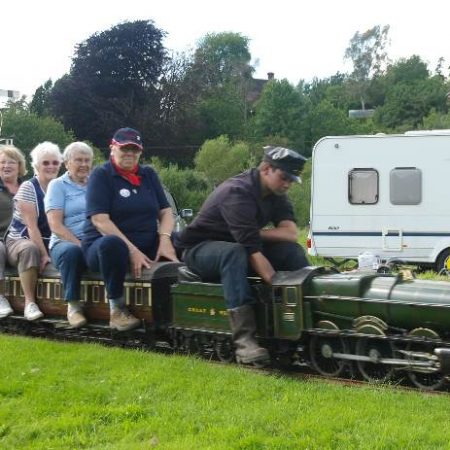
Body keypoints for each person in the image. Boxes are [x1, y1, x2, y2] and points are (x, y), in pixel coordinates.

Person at [176, 146, 309, 365]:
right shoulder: (237, 192)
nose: (287, 184)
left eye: (291, 180)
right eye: (284, 177)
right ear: (266, 169)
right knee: (235, 252)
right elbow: (251, 250)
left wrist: (251, 233)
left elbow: (290, 234)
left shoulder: (277, 194)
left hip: (239, 246)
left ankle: (304, 323)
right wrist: (277, 285)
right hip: (199, 250)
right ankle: (245, 341)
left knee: (290, 251)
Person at [81, 127, 179, 332]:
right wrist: (132, 250)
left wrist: (165, 239)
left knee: (183, 239)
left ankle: (186, 299)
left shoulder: (148, 174)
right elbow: (100, 220)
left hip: (146, 241)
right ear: (112, 148)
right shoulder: (101, 175)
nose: (130, 154)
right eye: (124, 148)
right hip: (104, 246)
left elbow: (166, 212)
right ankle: (117, 310)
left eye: (134, 150)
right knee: (112, 244)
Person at [5, 142, 62, 320]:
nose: (51, 166)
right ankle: (30, 303)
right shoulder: (28, 188)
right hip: (20, 239)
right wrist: (44, 255)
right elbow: (32, 227)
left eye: (55, 162)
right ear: (36, 166)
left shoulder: (61, 186)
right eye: (45, 163)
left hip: (50, 239)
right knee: (30, 249)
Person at [45, 142, 93, 328]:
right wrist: (80, 244)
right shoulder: (57, 185)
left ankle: (117, 307)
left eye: (87, 160)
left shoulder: (96, 184)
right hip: (64, 242)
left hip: (94, 239)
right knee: (72, 252)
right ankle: (73, 307)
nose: (84, 164)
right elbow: (55, 225)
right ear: (66, 163)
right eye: (78, 160)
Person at [0, 145, 27, 319]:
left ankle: (30, 302)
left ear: (19, 166)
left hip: (19, 239)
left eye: (11, 162)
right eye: (2, 162)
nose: (6, 166)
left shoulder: (28, 187)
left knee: (29, 249)